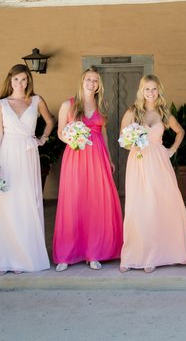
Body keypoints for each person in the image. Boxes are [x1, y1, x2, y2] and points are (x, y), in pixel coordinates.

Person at [53, 67, 123, 272]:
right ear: (82, 81)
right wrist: (72, 139)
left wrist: (109, 158)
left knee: (95, 202)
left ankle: (95, 252)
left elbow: (105, 134)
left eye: (95, 80)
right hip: (76, 156)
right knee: (73, 201)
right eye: (88, 79)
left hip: (98, 156)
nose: (92, 83)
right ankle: (67, 254)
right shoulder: (69, 105)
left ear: (99, 84)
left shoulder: (102, 105)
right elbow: (59, 132)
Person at [119, 75, 186, 273]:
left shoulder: (164, 113)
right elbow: (123, 141)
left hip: (159, 162)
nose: (151, 92)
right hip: (138, 162)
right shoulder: (132, 112)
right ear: (141, 91)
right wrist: (133, 141)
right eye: (147, 89)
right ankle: (133, 255)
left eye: (154, 89)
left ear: (159, 90)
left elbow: (180, 132)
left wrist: (171, 150)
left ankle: (154, 255)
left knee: (157, 206)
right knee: (137, 207)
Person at [0, 64, 55, 274]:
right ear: (10, 80)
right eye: (17, 79)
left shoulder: (36, 100)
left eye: (24, 79)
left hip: (28, 153)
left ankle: (25, 258)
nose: (20, 83)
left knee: (28, 202)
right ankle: (8, 259)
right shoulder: (0, 104)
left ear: (29, 81)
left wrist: (43, 137)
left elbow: (50, 121)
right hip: (7, 155)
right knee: (7, 204)